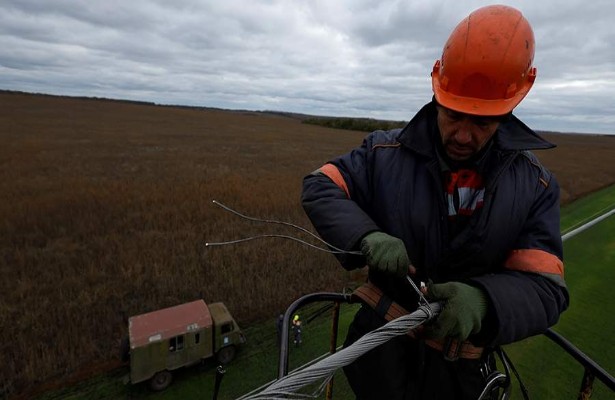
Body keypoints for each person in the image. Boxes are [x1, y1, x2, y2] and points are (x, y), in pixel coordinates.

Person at [301, 5, 569, 400]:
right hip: (379, 358)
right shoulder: (383, 153)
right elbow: (320, 187)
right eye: (453, 115)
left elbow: (546, 290)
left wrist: (484, 302)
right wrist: (365, 235)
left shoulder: (536, 185)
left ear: (510, 108)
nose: (462, 135)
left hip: (461, 374)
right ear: (437, 93)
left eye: (482, 122)